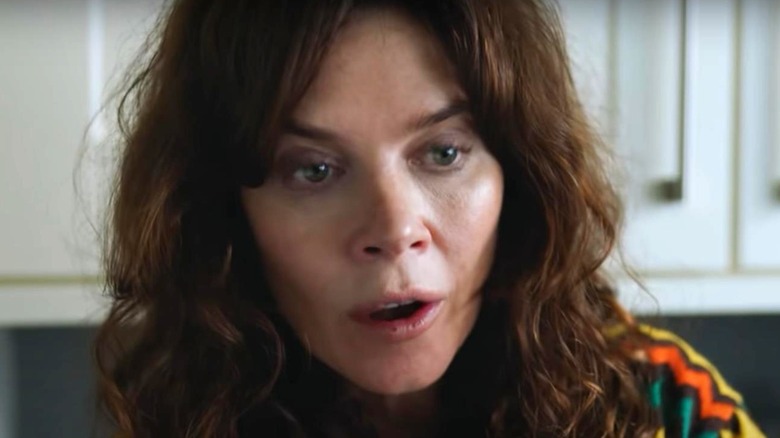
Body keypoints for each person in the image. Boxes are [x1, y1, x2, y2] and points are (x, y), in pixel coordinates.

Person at [93, 1, 765, 437]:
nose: (394, 229)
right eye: (314, 170)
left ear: (519, 176)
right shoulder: (174, 420)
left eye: (443, 153)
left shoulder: (664, 407)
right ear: (224, 212)